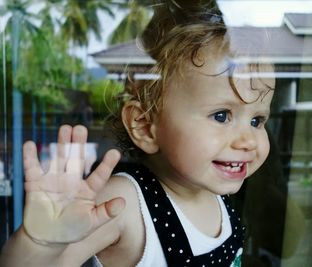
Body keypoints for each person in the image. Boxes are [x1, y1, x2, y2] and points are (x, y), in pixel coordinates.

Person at [0, 1, 275, 266]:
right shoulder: (125, 203)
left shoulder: (215, 192)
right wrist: (41, 244)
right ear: (145, 126)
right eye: (221, 116)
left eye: (257, 120)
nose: (248, 140)